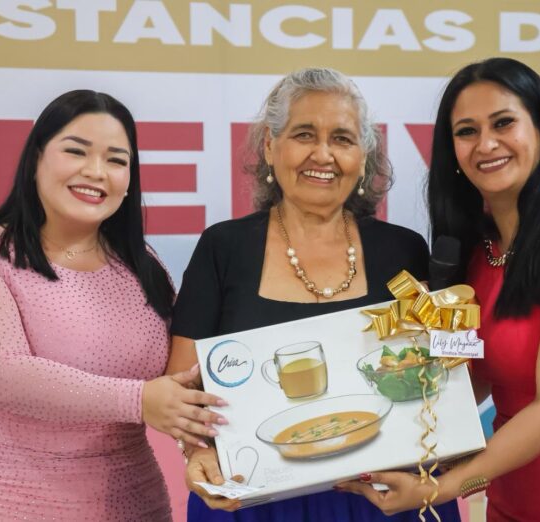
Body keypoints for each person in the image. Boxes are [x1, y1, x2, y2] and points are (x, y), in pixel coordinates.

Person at [338, 58, 540, 520]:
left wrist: (443, 486)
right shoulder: (482, 250)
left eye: (504, 123)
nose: (486, 144)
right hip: (511, 501)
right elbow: (471, 382)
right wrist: (377, 412)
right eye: (467, 131)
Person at [166, 68, 461, 522]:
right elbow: (182, 386)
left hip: (384, 501)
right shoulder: (223, 248)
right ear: (270, 146)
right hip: (253, 501)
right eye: (304, 134)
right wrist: (198, 452)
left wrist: (458, 348)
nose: (323, 154)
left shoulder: (404, 250)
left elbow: (445, 364)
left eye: (342, 139)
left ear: (363, 157)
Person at [0, 90, 228, 521]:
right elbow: (3, 376)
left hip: (142, 506)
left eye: (116, 160)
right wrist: (139, 399)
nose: (96, 171)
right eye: (76, 151)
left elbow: (181, 375)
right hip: (15, 507)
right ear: (36, 158)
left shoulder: (143, 264)